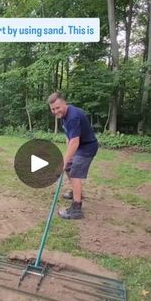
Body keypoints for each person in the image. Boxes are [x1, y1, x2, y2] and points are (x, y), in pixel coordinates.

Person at [48, 91, 98, 219]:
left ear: (65, 103)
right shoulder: (63, 116)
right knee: (70, 167)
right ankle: (76, 192)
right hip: (79, 146)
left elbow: (75, 141)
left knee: (75, 173)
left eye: (57, 107)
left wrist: (64, 161)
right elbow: (69, 137)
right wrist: (68, 157)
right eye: (53, 109)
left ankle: (76, 209)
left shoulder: (73, 116)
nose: (55, 111)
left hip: (87, 147)